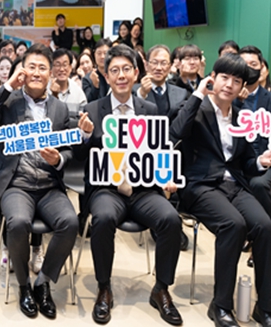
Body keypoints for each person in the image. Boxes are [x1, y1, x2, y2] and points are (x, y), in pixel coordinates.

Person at [75, 44, 183, 326]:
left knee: (171, 219)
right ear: (106, 76)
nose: (121, 75)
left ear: (136, 73)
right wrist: (84, 137)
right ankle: (104, 287)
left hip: (144, 189)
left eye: (126, 69)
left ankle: (161, 289)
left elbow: (160, 151)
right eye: (114, 70)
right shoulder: (92, 109)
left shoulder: (150, 109)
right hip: (107, 189)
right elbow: (79, 158)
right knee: (102, 218)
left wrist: (166, 177)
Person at [170, 54, 271, 327]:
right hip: (201, 185)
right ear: (212, 78)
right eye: (224, 77)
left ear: (242, 87)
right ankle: (221, 305)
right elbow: (176, 132)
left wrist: (260, 162)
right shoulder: (197, 107)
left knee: (265, 225)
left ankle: (265, 306)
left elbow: (245, 162)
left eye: (236, 81)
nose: (229, 85)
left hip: (234, 185)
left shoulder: (241, 116)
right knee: (233, 224)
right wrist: (198, 94)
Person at [0, 44, 78, 320]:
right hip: (16, 184)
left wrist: (58, 159)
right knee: (18, 222)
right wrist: (8, 86)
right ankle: (23, 285)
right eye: (31, 66)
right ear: (22, 70)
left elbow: (69, 150)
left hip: (48, 185)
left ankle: (43, 281)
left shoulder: (60, 109)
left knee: (70, 222)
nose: (36, 72)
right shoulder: (8, 101)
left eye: (42, 68)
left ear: (50, 73)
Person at [237, 46, 271, 219]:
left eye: (253, 64)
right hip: (238, 162)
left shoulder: (268, 98)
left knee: (258, 184)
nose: (249, 68)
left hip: (266, 159)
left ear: (262, 67)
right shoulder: (228, 97)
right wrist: (237, 102)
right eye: (244, 64)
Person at [134, 44, 190, 122]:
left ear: (170, 67)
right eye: (155, 63)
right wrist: (142, 94)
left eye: (163, 63)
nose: (159, 68)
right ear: (146, 65)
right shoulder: (133, 91)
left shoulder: (181, 94)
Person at [48, 48, 86, 127]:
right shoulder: (44, 90)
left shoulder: (78, 93)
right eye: (58, 65)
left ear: (70, 67)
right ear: (51, 68)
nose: (62, 69)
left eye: (65, 65)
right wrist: (54, 96)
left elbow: (82, 122)